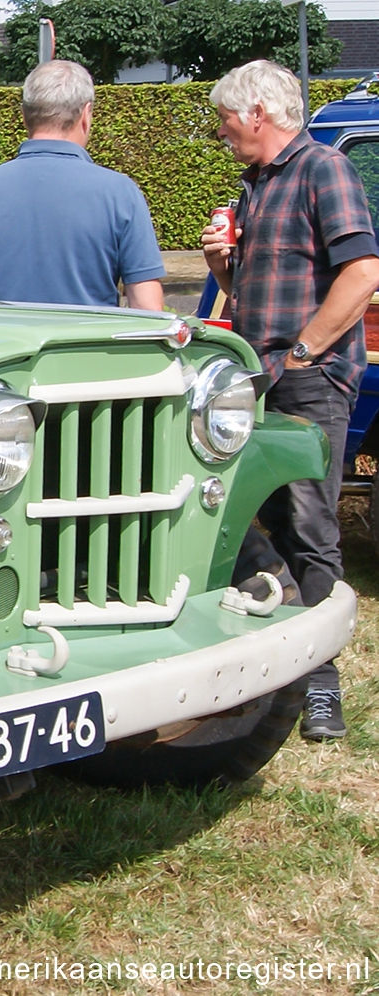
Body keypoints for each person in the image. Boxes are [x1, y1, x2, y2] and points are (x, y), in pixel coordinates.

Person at [200, 59, 379, 741]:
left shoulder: (322, 171)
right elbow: (254, 286)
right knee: (254, 515)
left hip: (305, 378)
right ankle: (269, 670)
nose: (221, 133)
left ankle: (324, 687)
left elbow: (363, 270)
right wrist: (222, 264)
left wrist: (305, 351)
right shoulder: (256, 185)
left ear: (256, 114)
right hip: (260, 376)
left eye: (224, 119)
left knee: (309, 525)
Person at [0, 60, 164, 309]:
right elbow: (147, 308)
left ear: (24, 117)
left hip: (0, 346)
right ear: (86, 114)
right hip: (85, 346)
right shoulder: (120, 193)